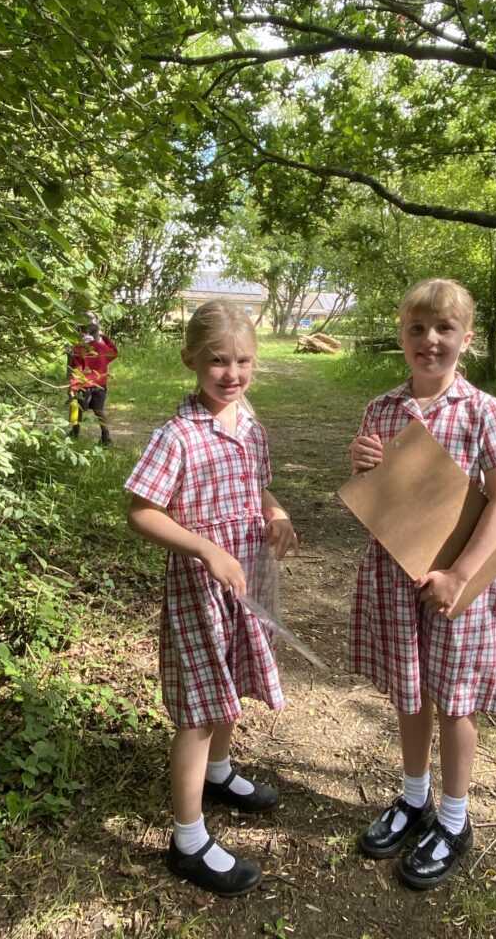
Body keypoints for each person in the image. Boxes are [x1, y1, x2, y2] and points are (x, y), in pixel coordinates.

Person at [348, 278, 496, 890]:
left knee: (454, 699)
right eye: (417, 329)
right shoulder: (380, 408)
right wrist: (364, 468)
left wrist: (460, 574)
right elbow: (381, 492)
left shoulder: (483, 410)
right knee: (410, 690)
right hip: (397, 579)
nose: (429, 340)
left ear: (465, 340)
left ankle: (454, 819)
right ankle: (413, 797)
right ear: (401, 335)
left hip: (458, 584)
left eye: (443, 329)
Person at [124, 300, 298, 897]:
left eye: (244, 361)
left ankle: (220, 774)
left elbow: (258, 485)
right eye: (219, 361)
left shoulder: (250, 423)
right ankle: (188, 839)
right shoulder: (176, 436)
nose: (232, 373)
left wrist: (275, 512)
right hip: (203, 586)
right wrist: (204, 549)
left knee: (232, 679)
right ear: (190, 359)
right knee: (201, 704)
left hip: (246, 573)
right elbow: (142, 512)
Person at [68, 315, 119, 447]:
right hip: (100, 385)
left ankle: (75, 433)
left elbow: (77, 370)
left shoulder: (78, 349)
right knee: (99, 410)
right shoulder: (102, 347)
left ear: (80, 331)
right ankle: (106, 437)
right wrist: (106, 338)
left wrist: (72, 388)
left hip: (84, 386)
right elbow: (114, 352)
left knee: (78, 410)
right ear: (97, 332)